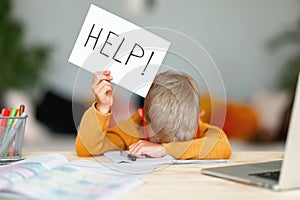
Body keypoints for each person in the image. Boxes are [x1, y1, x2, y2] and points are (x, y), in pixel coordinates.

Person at [75, 70, 232, 159]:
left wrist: (165, 149)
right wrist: (102, 107)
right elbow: (87, 148)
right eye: (158, 140)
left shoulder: (197, 126)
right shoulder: (134, 129)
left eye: (182, 139)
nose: (164, 143)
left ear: (199, 116)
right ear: (143, 118)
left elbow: (223, 147)